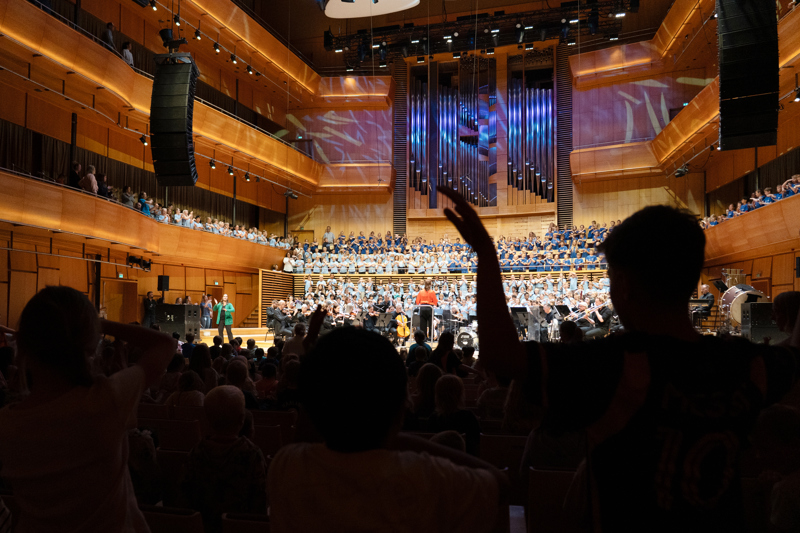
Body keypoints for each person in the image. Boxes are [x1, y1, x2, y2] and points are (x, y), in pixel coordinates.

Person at [438, 185, 800, 531]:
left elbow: (501, 358)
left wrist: (486, 253)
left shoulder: (617, 365)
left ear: (623, 284)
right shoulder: (746, 364)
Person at [268, 324, 508, 533]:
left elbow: (309, 420)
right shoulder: (430, 479)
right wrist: (397, 436)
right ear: (401, 406)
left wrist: (314, 365)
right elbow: (501, 485)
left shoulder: (284, 467)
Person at [0, 286, 176, 531]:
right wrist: (99, 323)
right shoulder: (105, 401)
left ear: (25, 343)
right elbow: (165, 344)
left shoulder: (6, 424)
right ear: (90, 342)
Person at [181, 386, 267, 532]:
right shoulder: (252, 454)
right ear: (242, 420)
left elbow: (184, 496)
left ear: (207, 419)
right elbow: (260, 501)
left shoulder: (195, 452)